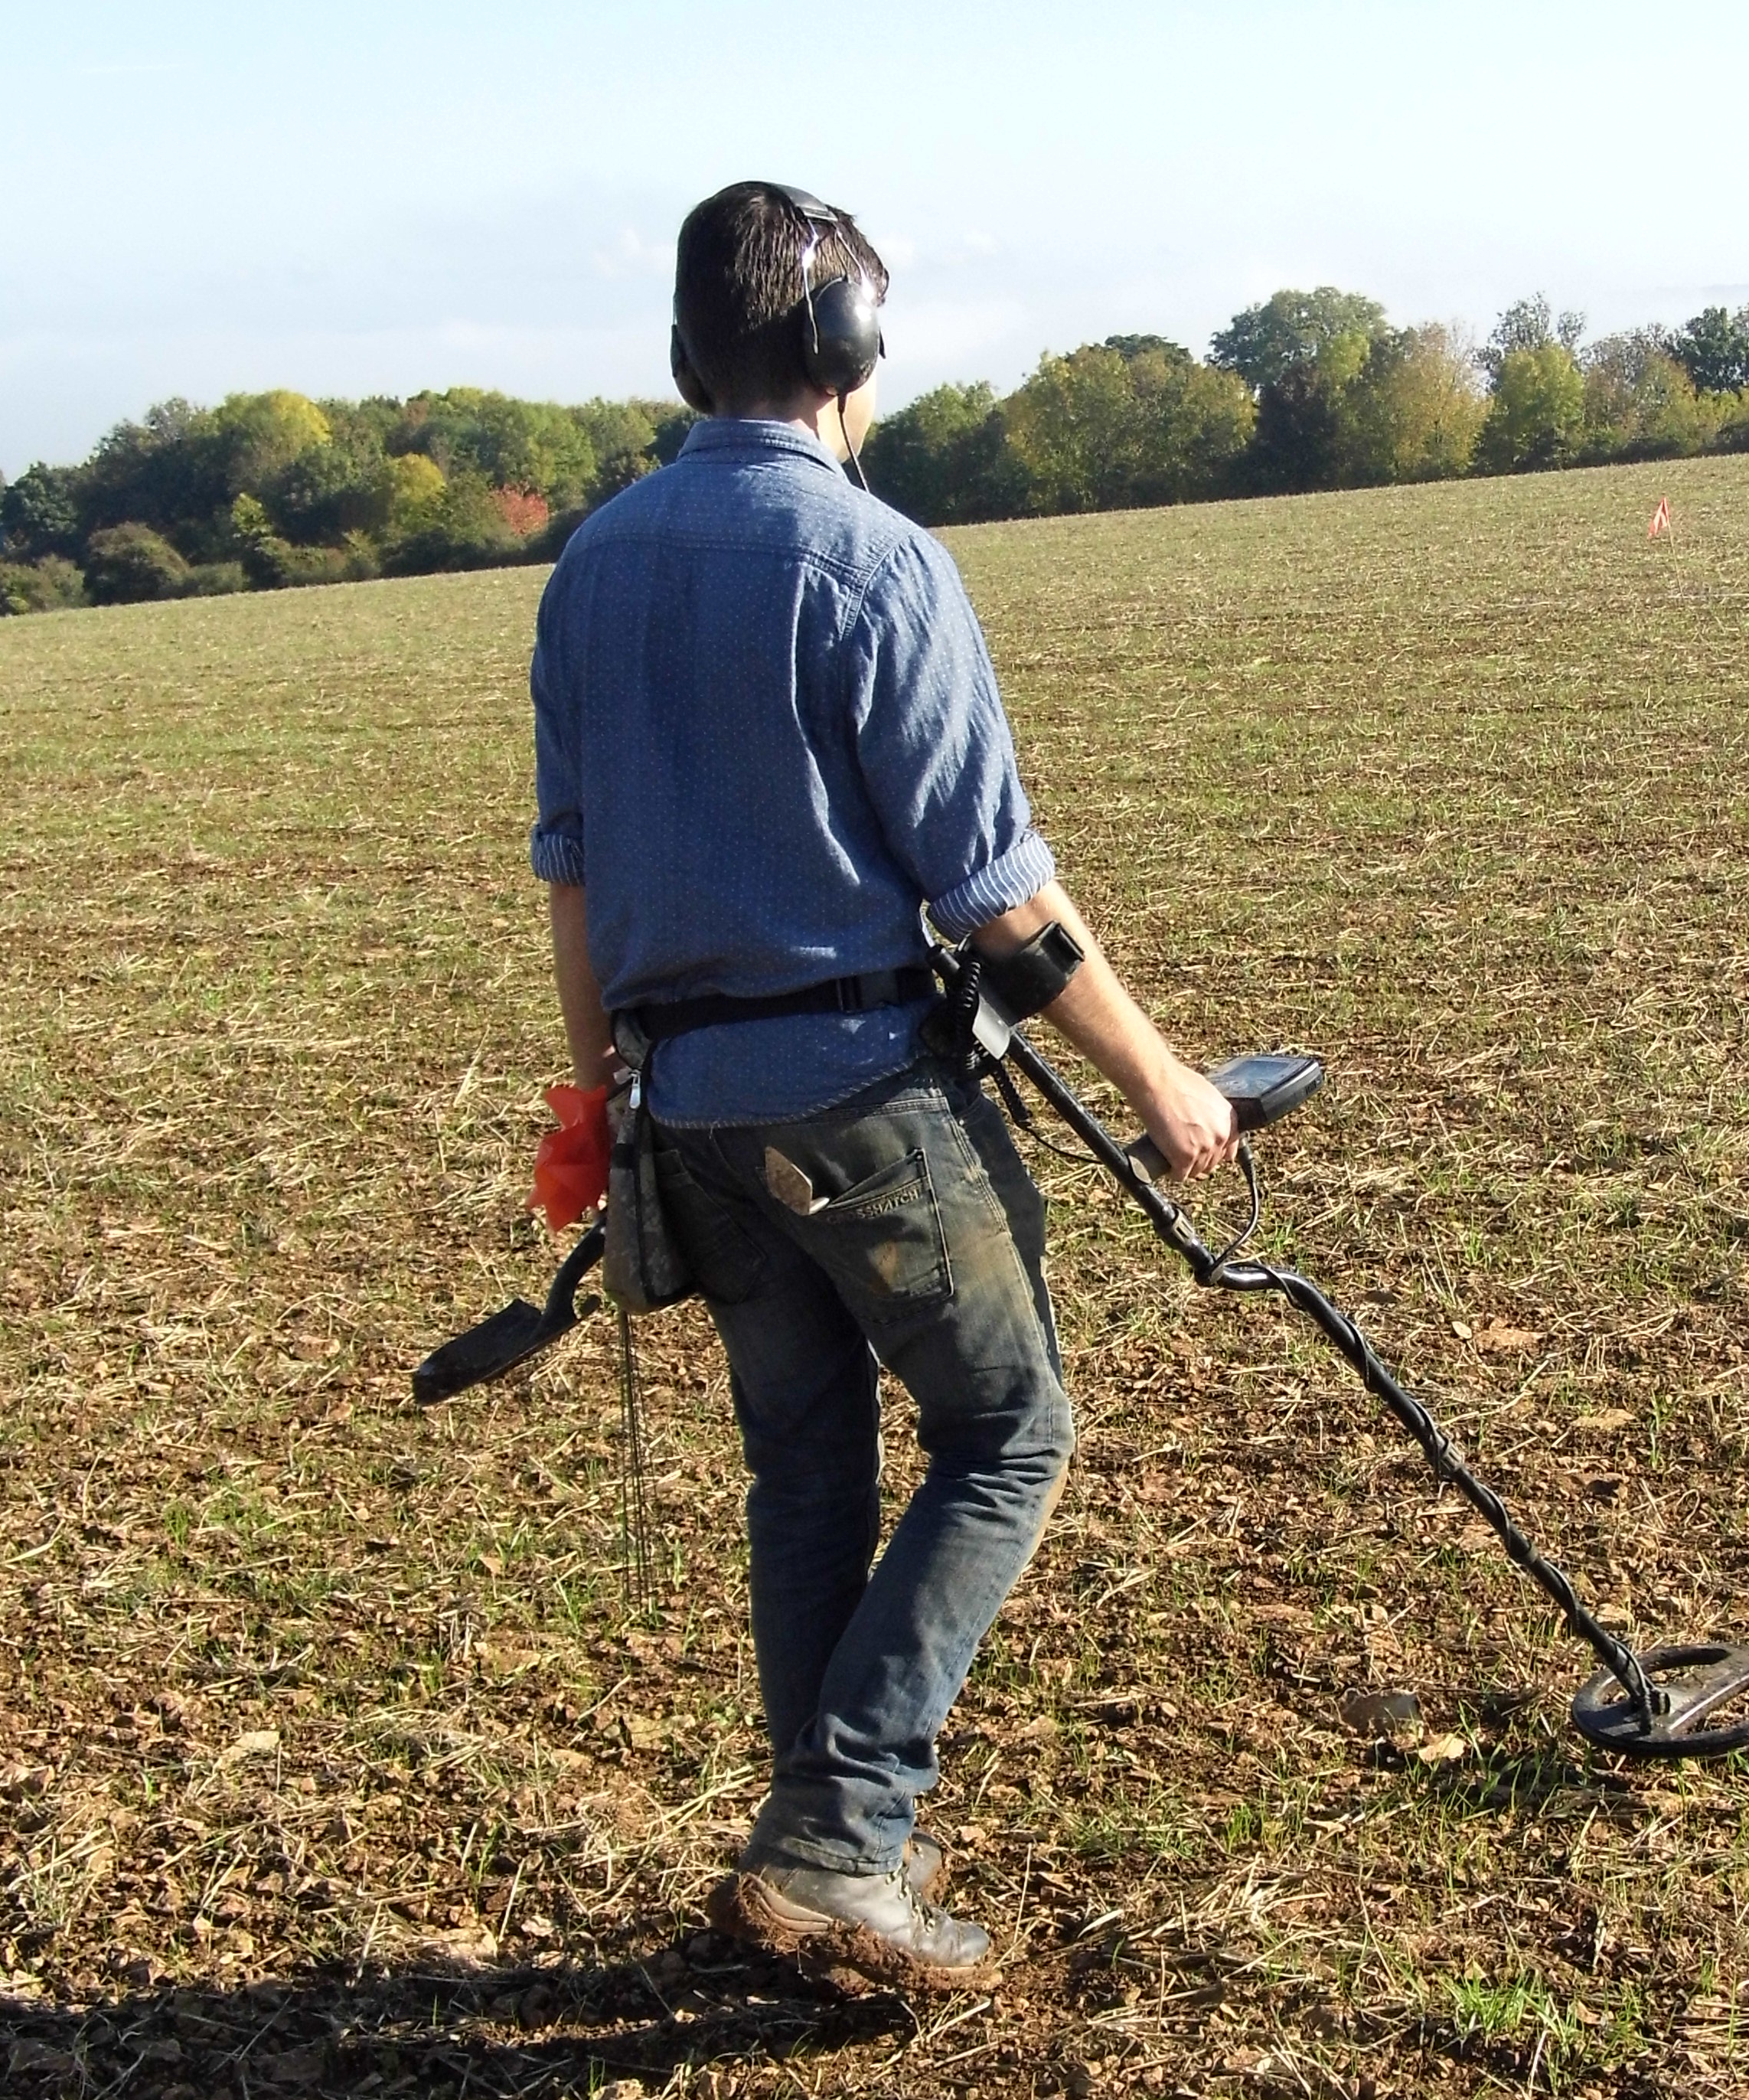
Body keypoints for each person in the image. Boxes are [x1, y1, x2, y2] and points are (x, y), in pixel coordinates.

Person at [527, 181, 1236, 1994]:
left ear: (692, 350)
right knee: (1010, 1433)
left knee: (807, 1470)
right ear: (847, 350)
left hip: (685, 1099)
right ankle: (843, 1841)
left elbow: (577, 879)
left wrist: (599, 1107)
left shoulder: (590, 568)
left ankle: (822, 1859)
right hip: (858, 1090)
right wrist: (1159, 1074)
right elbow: (994, 890)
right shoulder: (873, 562)